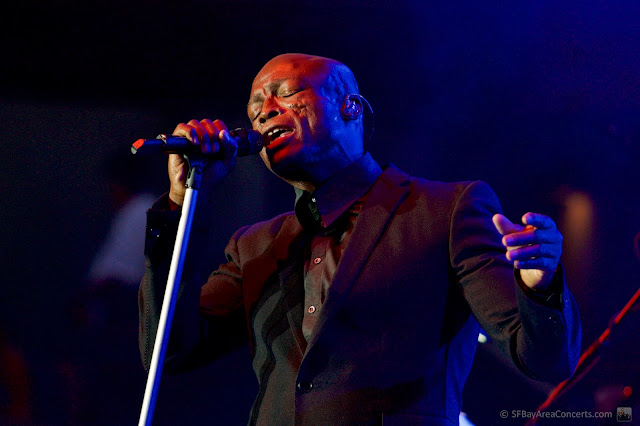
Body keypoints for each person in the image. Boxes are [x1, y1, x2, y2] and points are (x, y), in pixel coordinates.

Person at [138, 53, 581, 425]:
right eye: (255, 108)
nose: (264, 110)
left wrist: (539, 286)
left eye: (287, 93)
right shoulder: (253, 245)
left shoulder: (446, 211)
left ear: (350, 107)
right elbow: (169, 352)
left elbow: (544, 360)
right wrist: (183, 201)